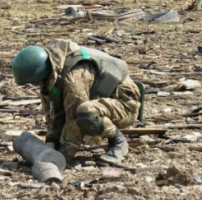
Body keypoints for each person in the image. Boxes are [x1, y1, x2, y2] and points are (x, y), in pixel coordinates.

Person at [12, 39, 143, 165]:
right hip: (101, 102)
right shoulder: (52, 72)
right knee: (83, 112)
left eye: (35, 82)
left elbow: (74, 120)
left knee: (86, 113)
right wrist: (52, 141)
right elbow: (53, 113)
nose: (35, 85)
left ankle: (118, 143)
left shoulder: (74, 79)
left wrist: (63, 156)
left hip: (125, 105)